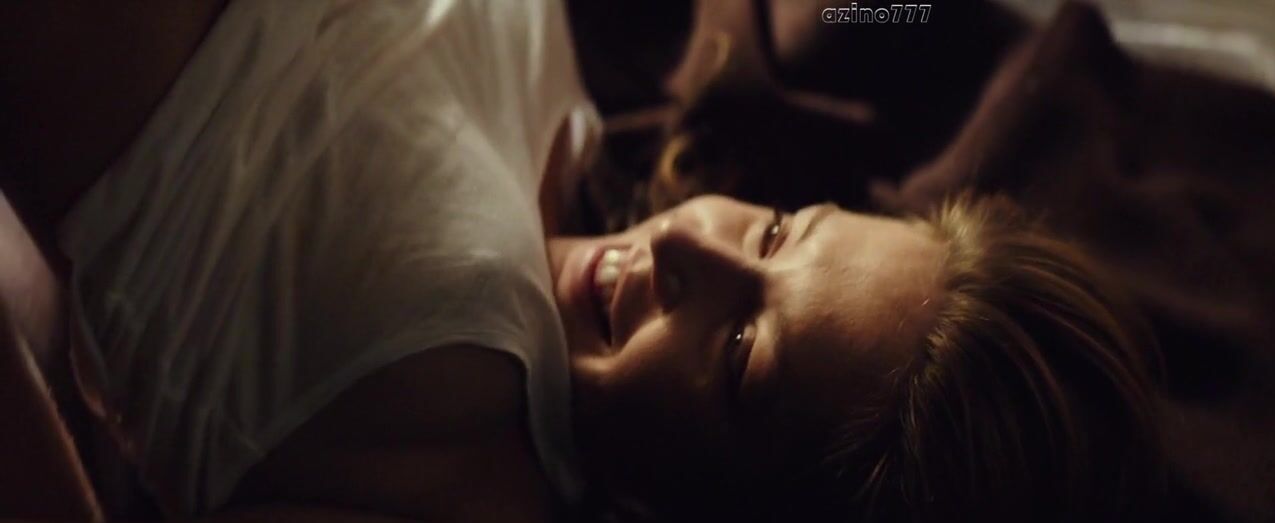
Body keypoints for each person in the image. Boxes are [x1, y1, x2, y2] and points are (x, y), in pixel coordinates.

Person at [0, 1, 1160, 522]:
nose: (689, 247)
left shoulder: (462, 487)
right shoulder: (606, 118)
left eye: (740, 354)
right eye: (775, 232)